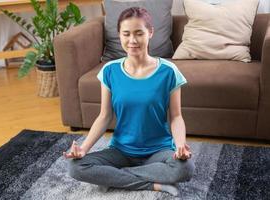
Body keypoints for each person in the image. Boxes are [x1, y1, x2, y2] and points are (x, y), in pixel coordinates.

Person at [63, 7, 195, 196]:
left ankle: (114, 178)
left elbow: (176, 117)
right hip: (121, 151)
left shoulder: (169, 71)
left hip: (159, 151)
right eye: (126, 34)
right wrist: (83, 149)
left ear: (150, 33)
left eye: (139, 33)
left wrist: (180, 145)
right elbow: (104, 116)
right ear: (119, 35)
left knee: (186, 168)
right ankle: (153, 184)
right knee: (75, 167)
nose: (132, 40)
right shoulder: (110, 71)